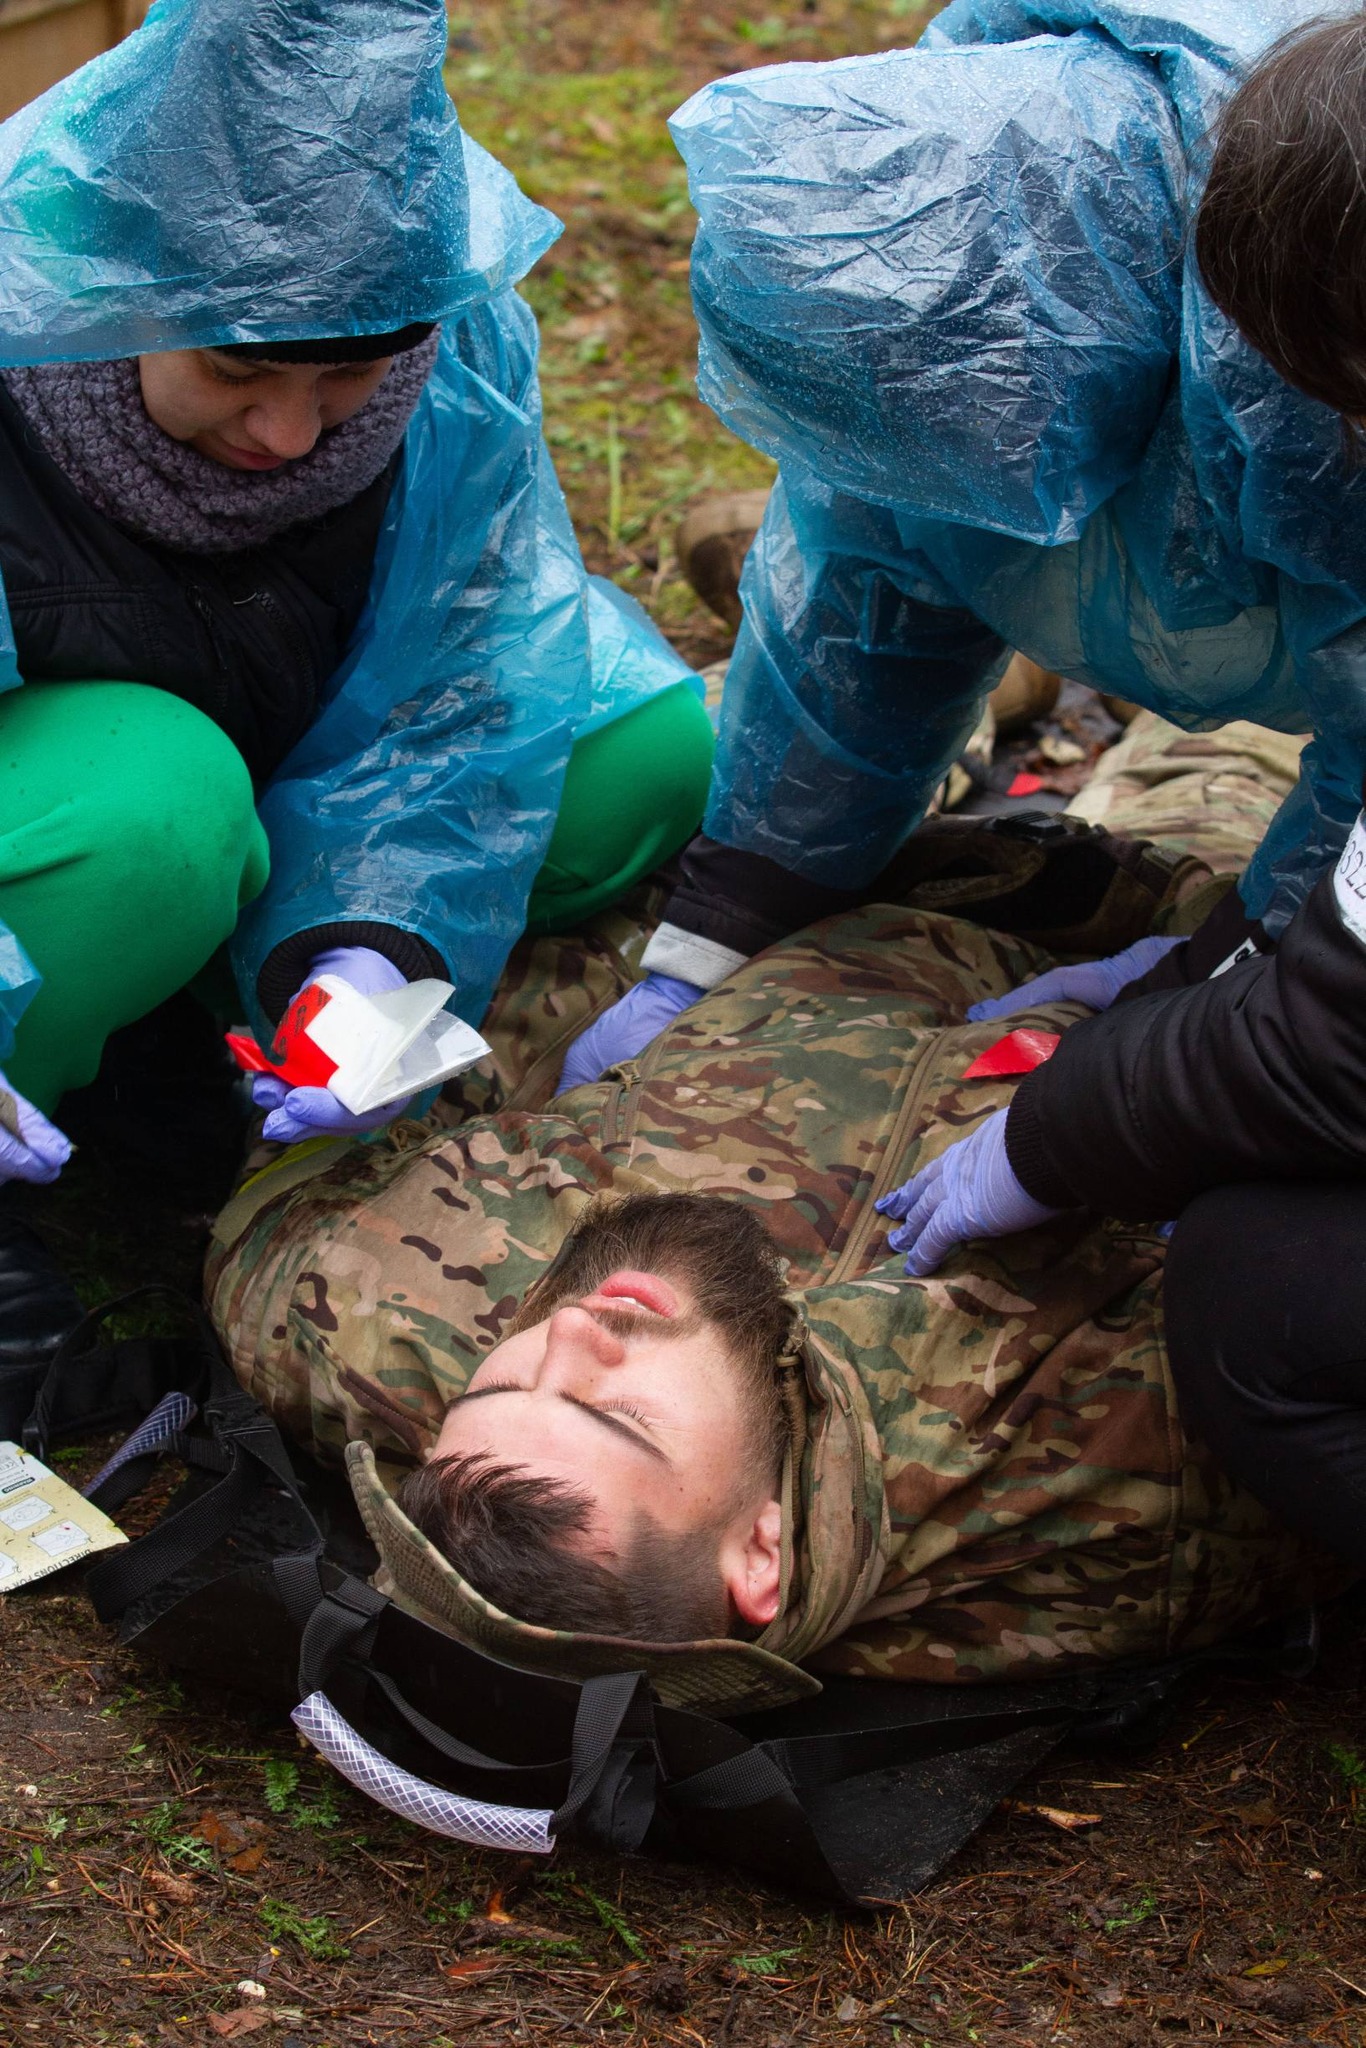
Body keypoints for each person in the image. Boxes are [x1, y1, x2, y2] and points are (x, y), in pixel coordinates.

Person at [208, 713, 1346, 1703]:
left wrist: (391, 1050)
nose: (569, 1328)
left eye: (495, 1384)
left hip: (779, 888)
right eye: (617, 1416)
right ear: (761, 1553)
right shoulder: (1132, 1481)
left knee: (819, 704)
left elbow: (294, 1191)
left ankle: (996, 693)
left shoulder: (360, 1322)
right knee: (1269, 736)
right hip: (1233, 949)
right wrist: (1227, 973)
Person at [560, 0, 1366, 1101]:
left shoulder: (1306, 327)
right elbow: (858, 612)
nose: (957, 471)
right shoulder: (898, 290)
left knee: (1224, 772)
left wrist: (1249, 957)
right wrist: (719, 928)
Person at [0, 0, 714, 1222]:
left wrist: (372, 952)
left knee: (643, 746)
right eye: (235, 370)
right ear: (120, 283)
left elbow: (476, 660)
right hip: (98, 789)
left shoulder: (451, 326)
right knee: (158, 810)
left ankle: (244, 1004)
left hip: (296, 728)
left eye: (347, 375)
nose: (288, 433)